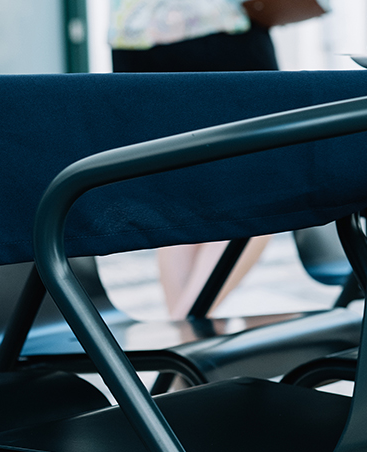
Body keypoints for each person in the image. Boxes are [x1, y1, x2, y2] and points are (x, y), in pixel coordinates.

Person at [108, 1, 278, 317]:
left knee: (177, 196)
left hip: (135, 37)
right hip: (216, 29)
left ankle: (181, 338)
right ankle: (184, 326)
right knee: (264, 195)